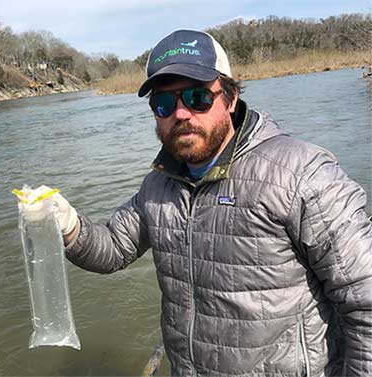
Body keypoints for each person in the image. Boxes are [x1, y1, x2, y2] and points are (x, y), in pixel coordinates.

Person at [42, 29, 372, 375]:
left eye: (198, 97)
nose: (181, 114)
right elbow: (111, 248)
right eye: (165, 103)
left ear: (229, 98)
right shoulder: (158, 185)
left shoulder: (302, 173)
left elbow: (364, 297)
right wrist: (69, 226)